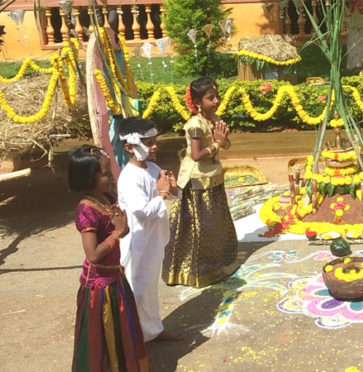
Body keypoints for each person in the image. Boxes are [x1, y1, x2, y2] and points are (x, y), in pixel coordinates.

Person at [68, 145, 148, 371]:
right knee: (103, 338)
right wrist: (117, 233)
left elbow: (120, 225)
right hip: (100, 288)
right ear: (87, 179)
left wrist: (121, 228)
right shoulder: (86, 210)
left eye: (109, 170)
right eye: (104, 173)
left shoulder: (106, 196)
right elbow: (92, 255)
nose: (111, 175)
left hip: (115, 277)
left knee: (123, 331)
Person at [162, 77, 240, 288]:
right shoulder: (195, 124)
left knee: (215, 224)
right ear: (197, 102)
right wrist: (217, 143)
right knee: (200, 227)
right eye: (210, 98)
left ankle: (218, 264)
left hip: (213, 176)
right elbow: (196, 155)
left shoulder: (215, 118)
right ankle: (196, 271)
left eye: (217, 96)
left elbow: (226, 144)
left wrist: (223, 139)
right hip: (197, 181)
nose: (216, 101)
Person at [116, 117, 183, 342]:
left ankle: (154, 330)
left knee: (150, 288)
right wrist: (163, 193)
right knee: (138, 291)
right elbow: (141, 211)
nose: (154, 147)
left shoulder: (152, 168)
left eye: (155, 141)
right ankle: (134, 338)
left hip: (154, 239)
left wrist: (173, 189)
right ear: (129, 147)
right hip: (137, 242)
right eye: (148, 142)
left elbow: (170, 192)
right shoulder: (128, 178)